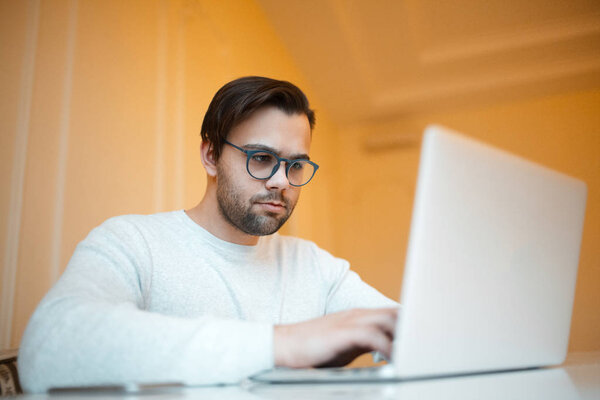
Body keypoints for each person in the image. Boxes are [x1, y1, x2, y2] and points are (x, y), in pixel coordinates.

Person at [18, 76, 397, 392]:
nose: (282, 181)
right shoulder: (132, 242)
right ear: (211, 155)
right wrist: (281, 344)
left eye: (295, 165)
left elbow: (407, 328)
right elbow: (48, 350)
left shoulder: (314, 265)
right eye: (261, 158)